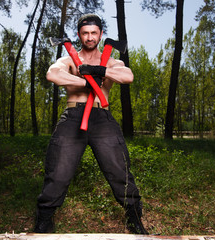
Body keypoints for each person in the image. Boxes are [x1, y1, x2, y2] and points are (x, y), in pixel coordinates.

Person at [33, 14, 148, 235]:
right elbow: (52, 74)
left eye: (94, 32)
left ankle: (134, 217)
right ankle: (44, 220)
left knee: (119, 169)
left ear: (100, 34)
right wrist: (85, 81)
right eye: (85, 33)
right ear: (79, 35)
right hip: (73, 116)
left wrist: (101, 71)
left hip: (102, 118)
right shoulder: (70, 58)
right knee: (58, 170)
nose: (89, 37)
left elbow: (127, 76)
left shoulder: (112, 61)